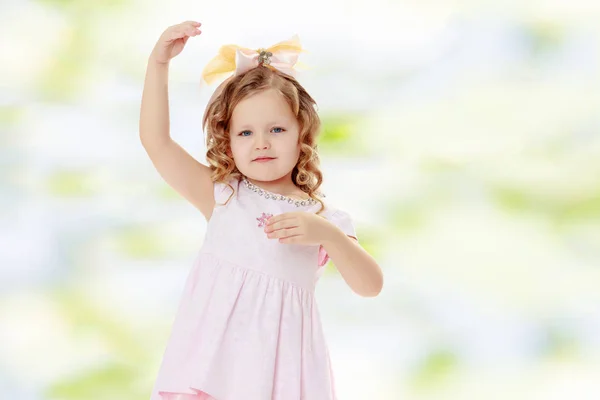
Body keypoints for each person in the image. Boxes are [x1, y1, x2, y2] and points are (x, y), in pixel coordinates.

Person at [140, 20, 383, 400]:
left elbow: (370, 286)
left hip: (280, 375)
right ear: (228, 140)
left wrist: (329, 236)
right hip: (213, 370)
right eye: (246, 132)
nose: (262, 144)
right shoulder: (224, 195)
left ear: (302, 134)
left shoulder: (324, 217)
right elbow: (155, 142)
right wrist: (159, 64)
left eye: (278, 130)